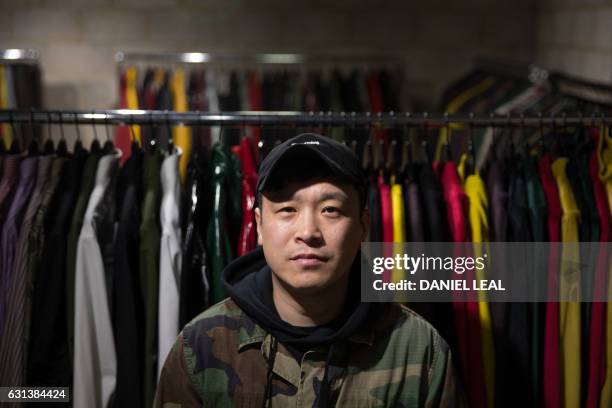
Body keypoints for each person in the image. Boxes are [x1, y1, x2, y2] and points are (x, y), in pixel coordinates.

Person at [154, 133, 464, 407]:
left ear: (363, 226)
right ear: (260, 226)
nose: (309, 231)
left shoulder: (418, 349)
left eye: (330, 210)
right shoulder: (201, 346)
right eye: (287, 209)